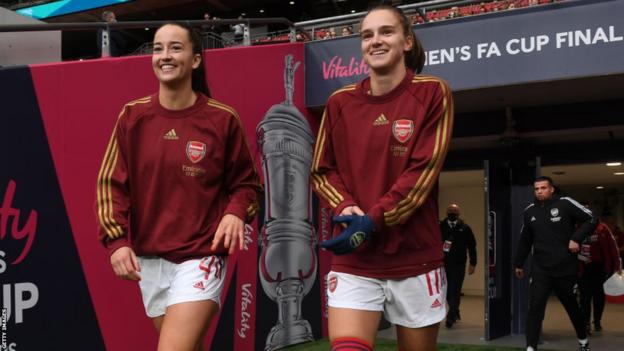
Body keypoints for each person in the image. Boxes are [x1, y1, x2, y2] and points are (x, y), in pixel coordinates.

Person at [95, 22, 261, 350]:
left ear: (196, 60)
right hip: (150, 261)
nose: (164, 56)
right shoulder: (132, 116)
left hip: (202, 254)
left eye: (175, 47)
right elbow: (111, 183)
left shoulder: (222, 119)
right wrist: (116, 241)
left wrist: (235, 212)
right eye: (158, 48)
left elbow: (249, 185)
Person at [311, 4, 454, 351]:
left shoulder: (433, 92)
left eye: (386, 32)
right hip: (355, 259)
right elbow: (321, 170)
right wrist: (347, 208)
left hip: (414, 257)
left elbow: (422, 172)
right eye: (367, 35)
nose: (375, 41)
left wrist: (372, 221)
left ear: (407, 41)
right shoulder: (339, 102)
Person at [515, 176, 596, 351]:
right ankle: (530, 347)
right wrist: (519, 263)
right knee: (535, 307)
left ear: (551, 189)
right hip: (541, 269)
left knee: (572, 306)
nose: (539, 191)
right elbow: (525, 240)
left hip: (565, 268)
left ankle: (583, 342)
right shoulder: (529, 212)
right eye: (536, 189)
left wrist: (576, 238)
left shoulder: (565, 203)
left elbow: (591, 219)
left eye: (543, 188)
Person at [578, 209, 622, 334]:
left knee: (599, 297)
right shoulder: (577, 229)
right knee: (585, 298)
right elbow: (571, 249)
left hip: (600, 268)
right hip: (583, 268)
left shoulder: (603, 229)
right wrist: (581, 258)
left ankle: (597, 321)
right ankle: (585, 323)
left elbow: (613, 248)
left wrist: (617, 266)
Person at [440, 203, 477, 328]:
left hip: (459, 264)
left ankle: (450, 318)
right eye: (450, 211)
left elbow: (472, 246)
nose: (453, 213)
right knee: (447, 292)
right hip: (443, 264)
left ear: (459, 214)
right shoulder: (440, 227)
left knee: (455, 291)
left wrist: (473, 263)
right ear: (446, 212)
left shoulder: (465, 228)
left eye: (455, 211)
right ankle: (455, 311)